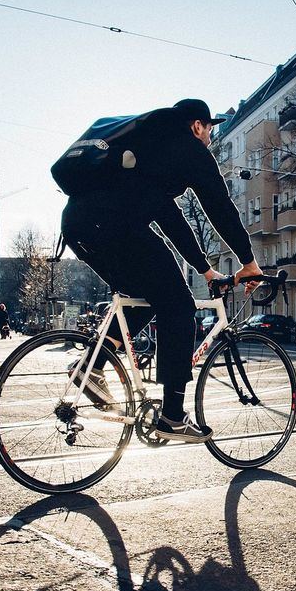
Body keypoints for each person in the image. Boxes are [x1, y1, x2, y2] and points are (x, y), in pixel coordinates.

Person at [61, 98, 262, 442]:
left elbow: (171, 219)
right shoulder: (189, 148)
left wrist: (205, 269)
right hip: (112, 226)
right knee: (180, 306)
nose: (210, 137)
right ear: (197, 126)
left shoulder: (152, 154)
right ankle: (172, 415)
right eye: (210, 129)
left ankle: (90, 366)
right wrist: (249, 262)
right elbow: (218, 205)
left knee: (143, 295)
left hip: (78, 224)